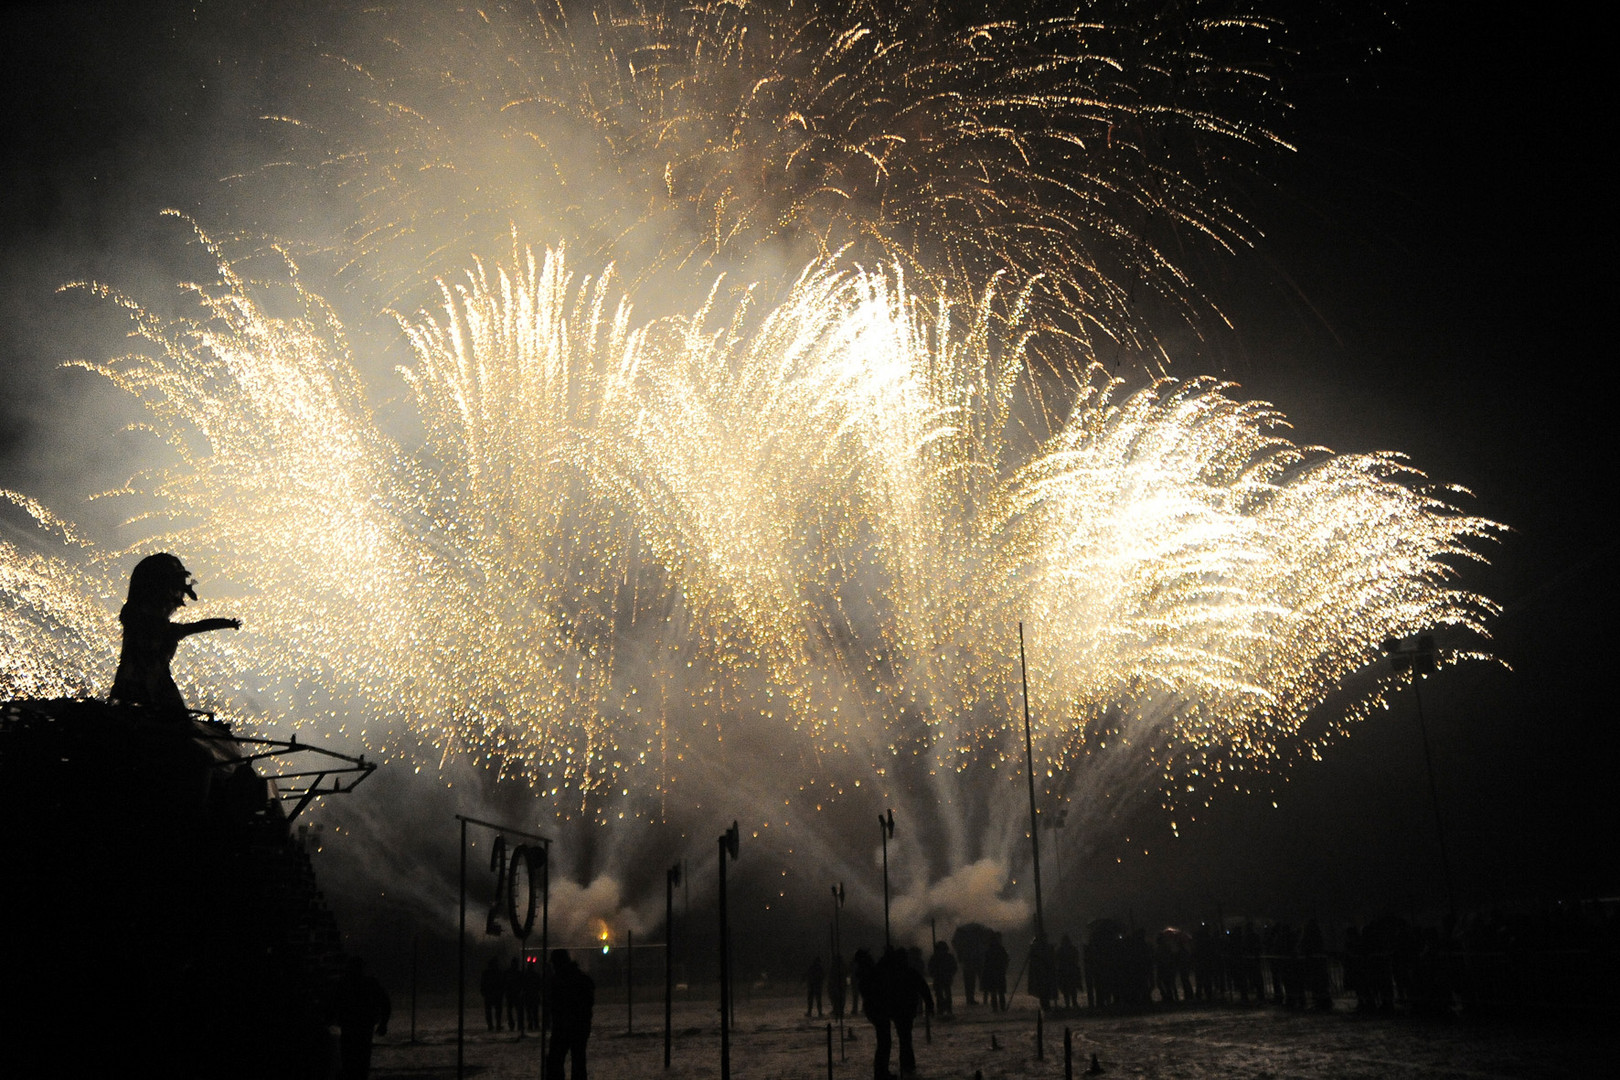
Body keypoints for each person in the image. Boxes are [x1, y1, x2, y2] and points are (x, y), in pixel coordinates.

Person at [108, 553, 240, 716]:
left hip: (129, 687)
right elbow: (199, 626)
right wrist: (227, 623)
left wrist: (227, 623)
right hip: (158, 690)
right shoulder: (161, 629)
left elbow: (199, 626)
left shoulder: (134, 621)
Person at [331, 957, 390, 1080]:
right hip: (363, 1027)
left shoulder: (344, 984)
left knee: (349, 1059)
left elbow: (333, 1003)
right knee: (362, 1059)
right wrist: (383, 1022)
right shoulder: (369, 983)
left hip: (350, 1027)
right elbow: (385, 1002)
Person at [545, 949, 594, 1080]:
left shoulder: (561, 980)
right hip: (576, 1026)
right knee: (577, 1062)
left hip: (566, 1026)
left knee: (557, 1061)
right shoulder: (580, 978)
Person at [927, 940, 957, 1015]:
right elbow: (954, 967)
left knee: (943, 993)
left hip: (942, 977)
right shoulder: (947, 957)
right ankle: (944, 1006)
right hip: (942, 977)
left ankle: (943, 1006)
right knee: (942, 993)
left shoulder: (935, 957)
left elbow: (930, 967)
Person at [481, 956, 504, 1031]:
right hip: (496, 994)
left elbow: (483, 983)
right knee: (497, 1011)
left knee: (489, 1011)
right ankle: (497, 1025)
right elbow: (502, 983)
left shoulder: (486, 973)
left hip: (489, 994)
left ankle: (491, 1025)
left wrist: (483, 991)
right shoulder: (499, 972)